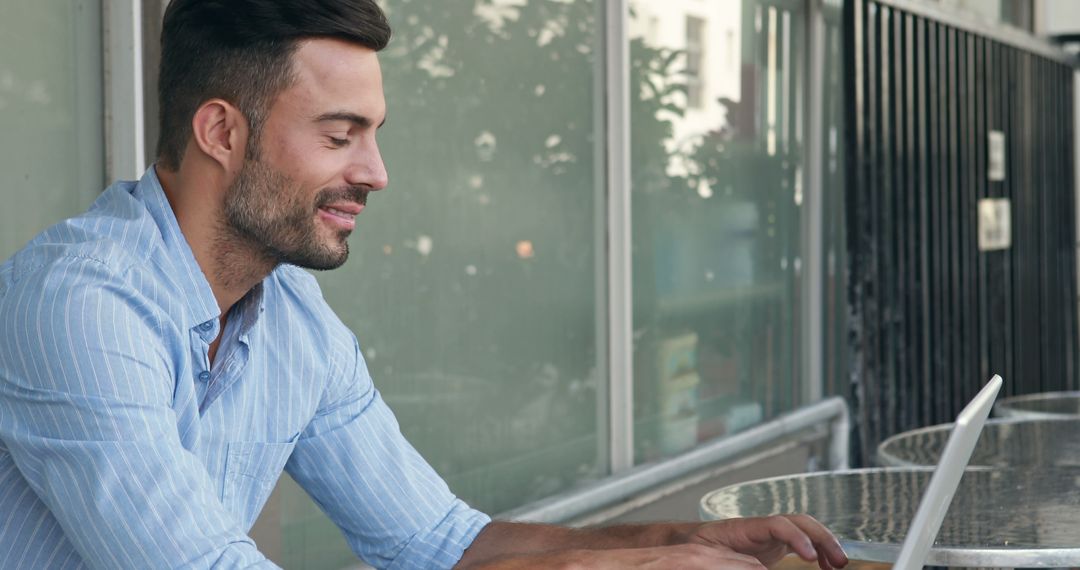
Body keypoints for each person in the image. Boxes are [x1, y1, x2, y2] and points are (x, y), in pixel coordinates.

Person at [0, 1, 850, 568]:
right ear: (221, 131)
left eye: (373, 134)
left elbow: (441, 542)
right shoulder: (79, 304)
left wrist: (679, 540)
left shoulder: (292, 317)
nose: (375, 172)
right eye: (341, 135)